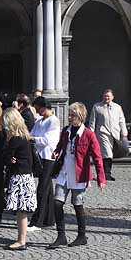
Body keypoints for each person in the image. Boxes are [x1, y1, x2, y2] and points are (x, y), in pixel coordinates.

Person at [48, 102, 105, 249]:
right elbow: (61, 145)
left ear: (80, 116)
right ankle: (61, 236)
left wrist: (101, 178)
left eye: (73, 115)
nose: (69, 117)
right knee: (57, 203)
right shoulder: (66, 130)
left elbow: (98, 157)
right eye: (69, 115)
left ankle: (81, 236)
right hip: (64, 172)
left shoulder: (88, 134)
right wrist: (56, 150)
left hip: (79, 175)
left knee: (77, 205)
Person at [1, 107, 37, 250]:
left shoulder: (15, 139)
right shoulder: (24, 137)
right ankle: (21, 239)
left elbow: (6, 158)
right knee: (21, 211)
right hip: (26, 176)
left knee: (21, 211)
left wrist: (9, 158)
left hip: (20, 177)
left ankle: (21, 241)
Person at [28, 96, 60, 231]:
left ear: (44, 107)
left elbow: (47, 140)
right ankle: (48, 218)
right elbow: (32, 134)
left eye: (38, 109)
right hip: (41, 156)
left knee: (42, 189)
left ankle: (37, 221)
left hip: (49, 157)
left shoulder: (54, 121)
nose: (37, 112)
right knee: (47, 189)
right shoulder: (40, 121)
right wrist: (33, 139)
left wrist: (33, 139)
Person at [88, 89, 129, 181]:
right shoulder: (97, 107)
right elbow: (92, 122)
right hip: (102, 133)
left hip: (114, 133)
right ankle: (107, 173)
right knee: (107, 153)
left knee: (107, 154)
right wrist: (91, 134)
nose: (106, 97)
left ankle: (103, 173)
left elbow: (121, 120)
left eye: (108, 96)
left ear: (112, 97)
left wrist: (124, 133)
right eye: (105, 96)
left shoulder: (117, 107)